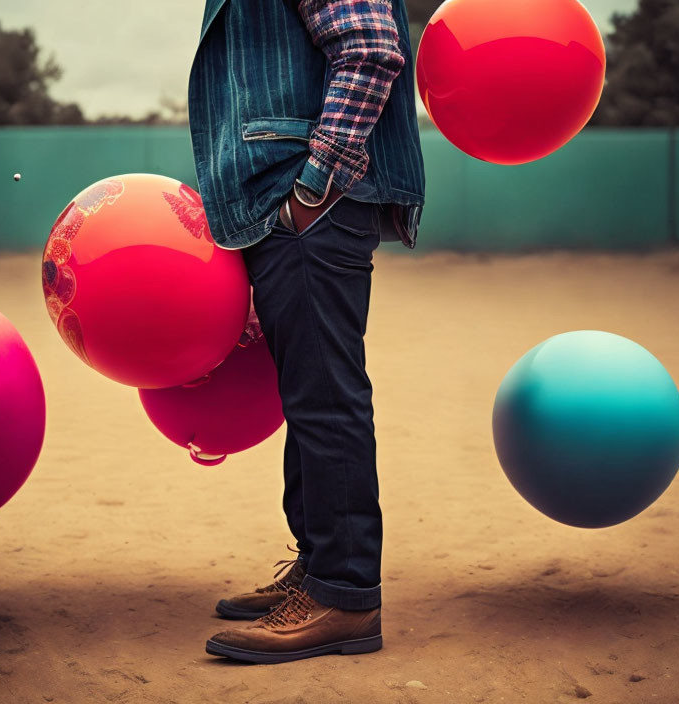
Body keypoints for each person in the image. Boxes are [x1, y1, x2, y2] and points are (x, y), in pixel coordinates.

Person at [187, 0, 425, 664]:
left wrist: (310, 194)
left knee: (326, 396)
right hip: (285, 206)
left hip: (308, 204)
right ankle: (320, 568)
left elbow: (371, 49)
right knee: (307, 394)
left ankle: (344, 597)